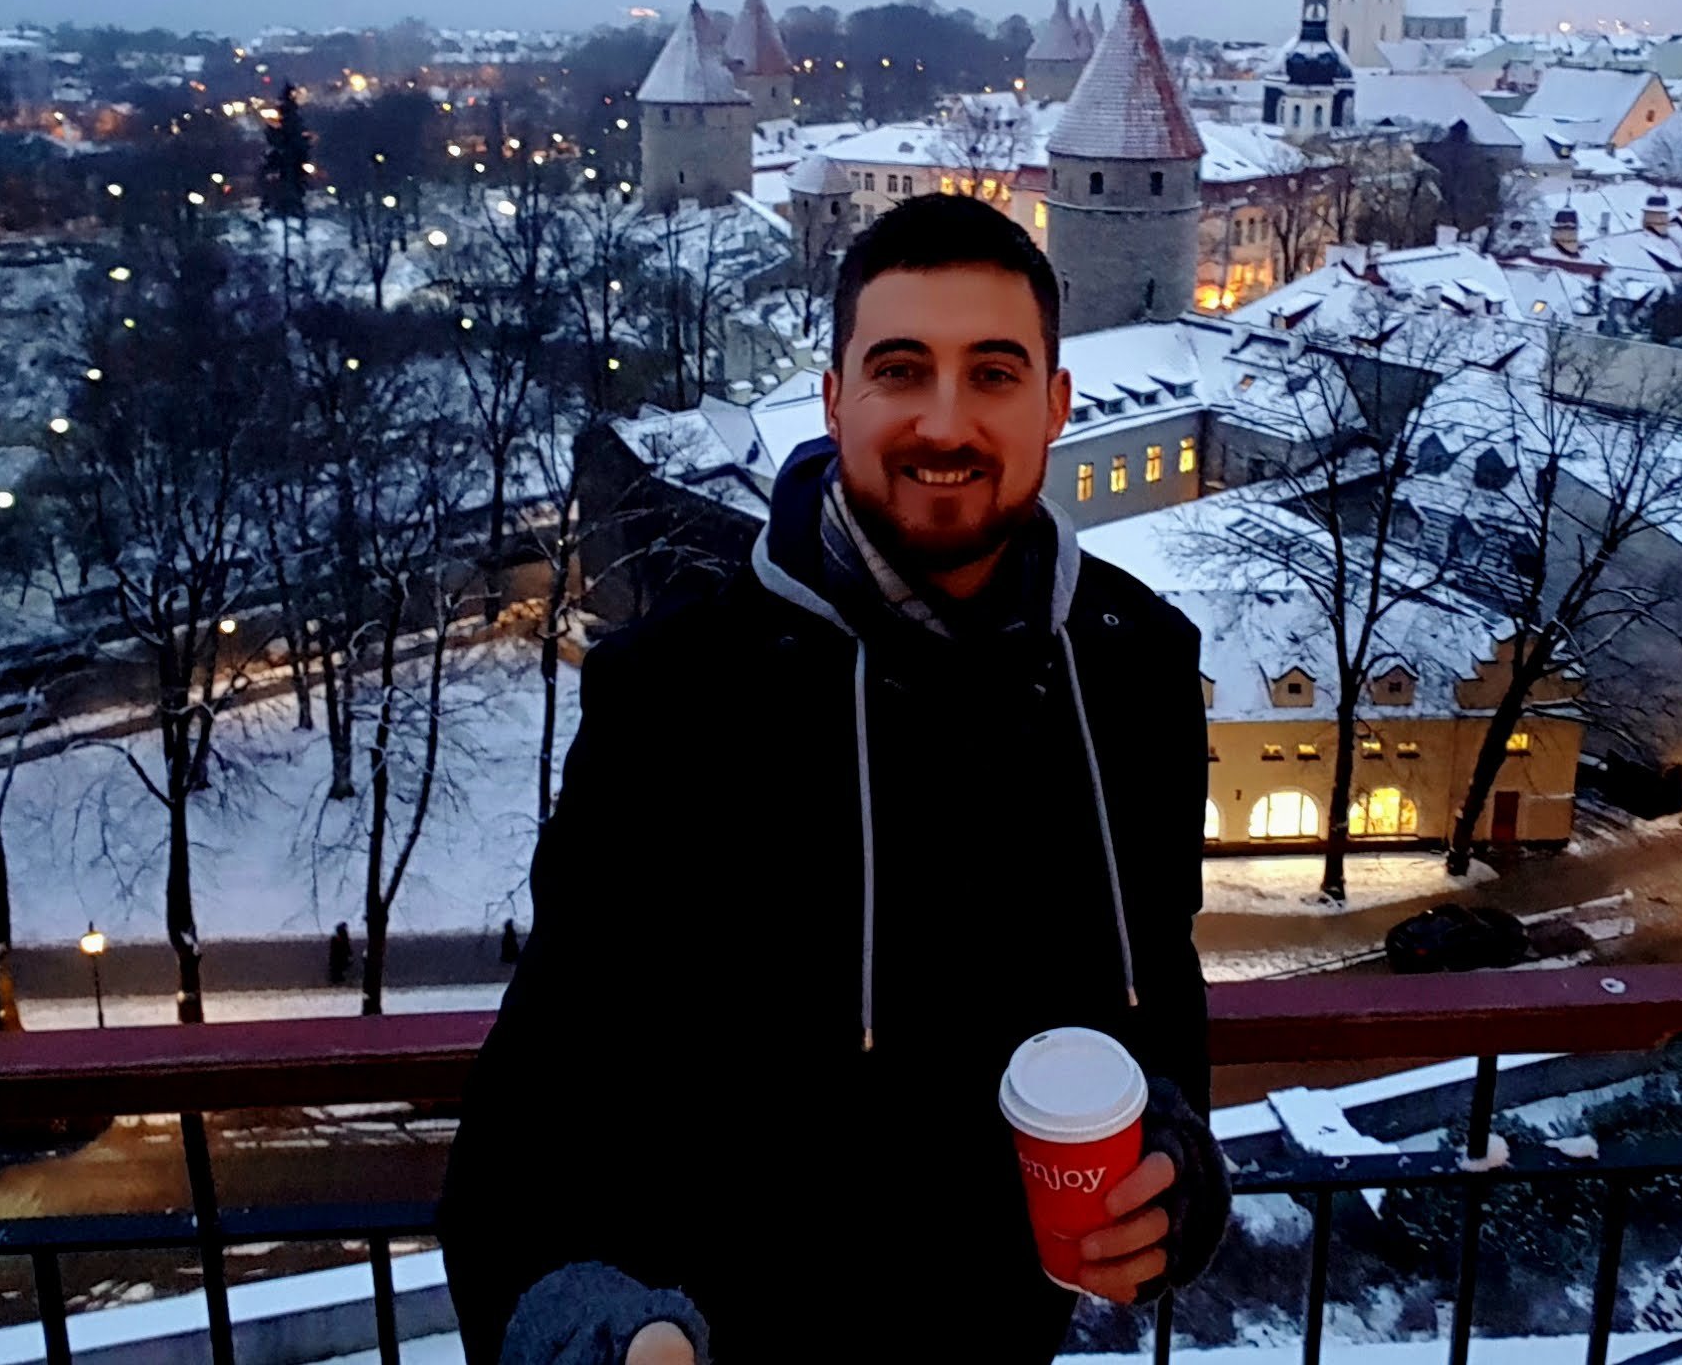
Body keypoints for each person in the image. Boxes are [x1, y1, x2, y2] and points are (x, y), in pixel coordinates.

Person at [437, 195, 1225, 1364]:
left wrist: (1176, 1182)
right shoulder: (678, 697)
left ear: (1056, 405)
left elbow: (1156, 1000)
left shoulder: (1134, 669)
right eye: (900, 370)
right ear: (834, 399)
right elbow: (537, 1119)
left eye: (994, 374)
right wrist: (597, 1330)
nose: (945, 421)